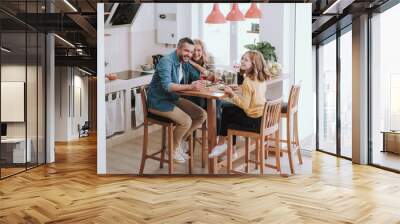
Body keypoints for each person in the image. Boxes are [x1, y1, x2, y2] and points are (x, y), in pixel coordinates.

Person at [147, 37, 207, 163]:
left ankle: (178, 144)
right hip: (159, 102)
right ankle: (172, 149)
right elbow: (167, 86)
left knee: (201, 115)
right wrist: (191, 86)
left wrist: (200, 79)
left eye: (191, 52)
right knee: (186, 121)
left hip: (172, 98)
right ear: (178, 49)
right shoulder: (166, 62)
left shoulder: (184, 62)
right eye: (187, 51)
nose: (190, 55)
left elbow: (200, 75)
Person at [208, 50, 272, 159]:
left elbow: (245, 106)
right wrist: (240, 88)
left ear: (254, 64)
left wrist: (232, 94)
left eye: (246, 60)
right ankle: (227, 148)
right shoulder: (261, 78)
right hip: (261, 118)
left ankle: (222, 144)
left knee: (227, 114)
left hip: (253, 121)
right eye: (242, 58)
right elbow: (253, 93)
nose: (242, 61)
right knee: (229, 109)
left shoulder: (247, 81)